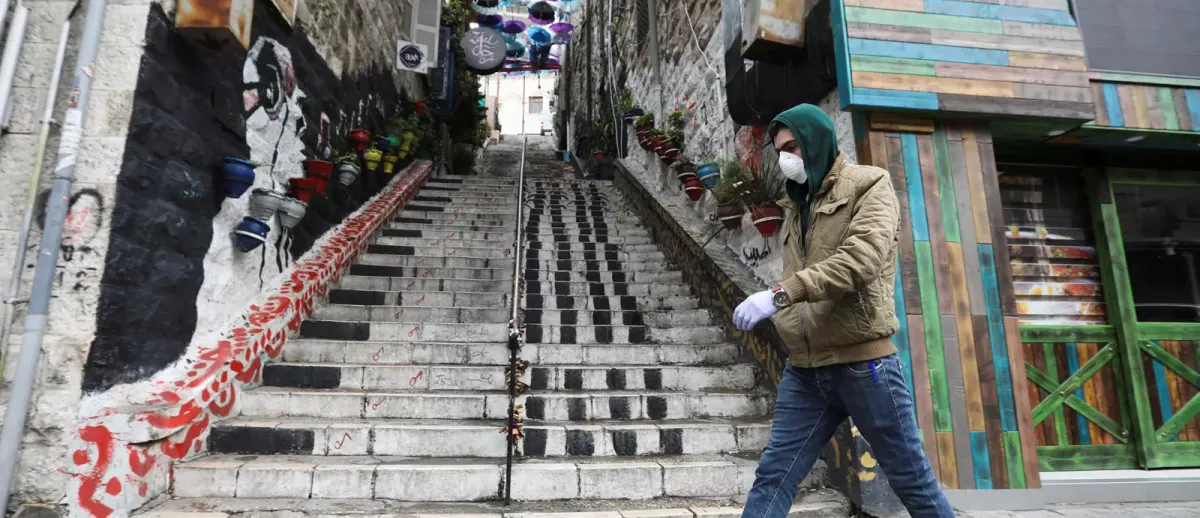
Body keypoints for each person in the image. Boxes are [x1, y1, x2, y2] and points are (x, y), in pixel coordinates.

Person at [733, 104, 954, 518]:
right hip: (805, 368)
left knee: (912, 481)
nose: (786, 158)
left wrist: (776, 296)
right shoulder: (796, 205)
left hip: (863, 364)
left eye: (794, 146)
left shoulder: (870, 185)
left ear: (817, 139)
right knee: (774, 475)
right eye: (781, 149)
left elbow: (859, 262)